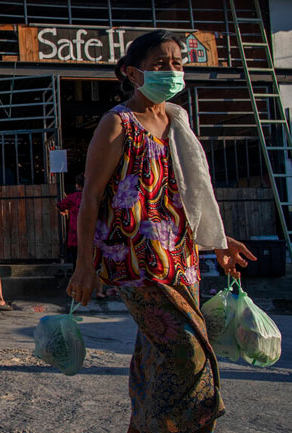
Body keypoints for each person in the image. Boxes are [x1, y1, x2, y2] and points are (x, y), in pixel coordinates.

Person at [66, 30, 257, 433]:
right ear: (133, 73)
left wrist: (220, 241)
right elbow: (91, 197)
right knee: (189, 353)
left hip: (182, 259)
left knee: (154, 357)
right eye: (160, 64)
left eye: (177, 63)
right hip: (136, 263)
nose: (172, 70)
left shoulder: (177, 119)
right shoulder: (117, 124)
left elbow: (193, 191)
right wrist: (84, 266)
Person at [56, 174, 104, 296]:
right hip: (93, 236)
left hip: (75, 236)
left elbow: (60, 205)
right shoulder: (92, 197)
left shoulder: (72, 198)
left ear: (77, 185)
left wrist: (66, 211)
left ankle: (76, 291)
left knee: (76, 265)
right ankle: (99, 291)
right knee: (96, 265)